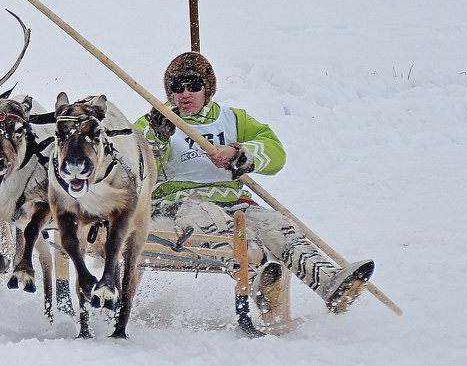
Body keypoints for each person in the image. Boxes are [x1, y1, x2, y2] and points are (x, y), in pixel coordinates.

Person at [134, 51, 374, 314]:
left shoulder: (232, 119)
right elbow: (136, 166)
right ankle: (261, 285)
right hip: (178, 207)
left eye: (193, 86)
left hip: (233, 203)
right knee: (218, 224)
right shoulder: (155, 121)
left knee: (277, 225)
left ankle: (329, 283)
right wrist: (157, 137)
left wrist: (239, 153)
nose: (185, 94)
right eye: (178, 88)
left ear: (207, 88)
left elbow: (275, 152)